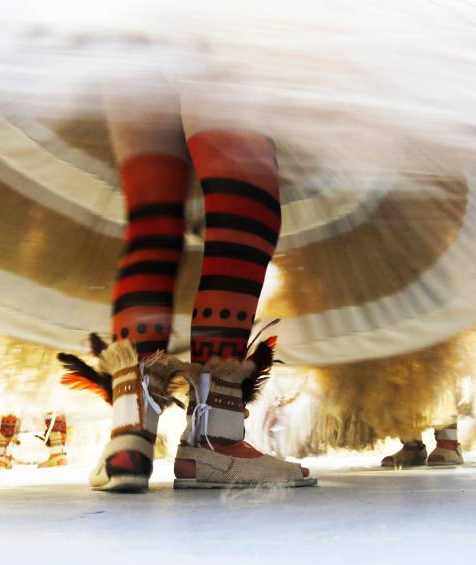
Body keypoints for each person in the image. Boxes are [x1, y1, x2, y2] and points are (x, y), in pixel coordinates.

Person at [59, 82, 315, 491]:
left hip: (132, 30)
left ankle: (130, 437)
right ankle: (216, 439)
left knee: (152, 221)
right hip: (221, 24)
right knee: (244, 211)